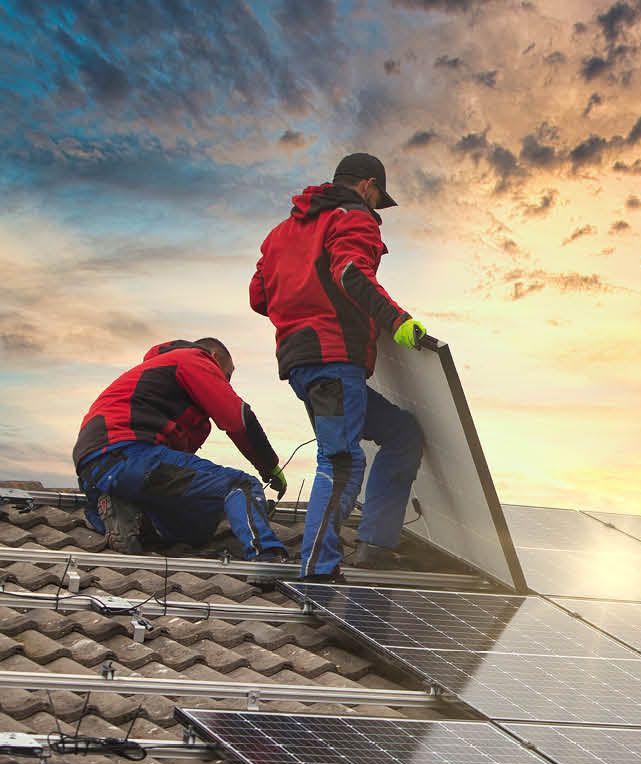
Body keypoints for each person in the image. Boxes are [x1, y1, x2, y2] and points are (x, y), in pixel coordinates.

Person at [251, 152, 440, 581]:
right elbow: (351, 271)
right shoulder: (353, 217)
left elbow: (259, 296)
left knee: (402, 434)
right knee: (340, 463)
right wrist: (399, 322)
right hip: (334, 359)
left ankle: (375, 544)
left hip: (302, 364)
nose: (376, 209)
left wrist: (301, 307)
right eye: (377, 198)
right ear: (369, 186)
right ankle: (318, 571)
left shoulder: (280, 233)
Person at [72, 339, 292, 560]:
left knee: (195, 529)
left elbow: (178, 477)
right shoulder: (192, 359)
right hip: (128, 452)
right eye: (228, 374)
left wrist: (247, 511)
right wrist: (268, 466)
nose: (226, 382)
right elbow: (238, 420)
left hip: (96, 469)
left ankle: (128, 514)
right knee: (241, 485)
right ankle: (266, 555)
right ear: (214, 357)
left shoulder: (157, 378)